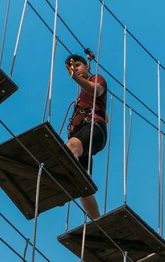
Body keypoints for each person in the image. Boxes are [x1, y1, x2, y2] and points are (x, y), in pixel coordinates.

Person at [65, 54, 107, 220]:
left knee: (70, 148)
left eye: (78, 65)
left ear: (87, 67)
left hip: (94, 130)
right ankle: (97, 221)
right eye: (73, 66)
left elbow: (96, 90)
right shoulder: (81, 98)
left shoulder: (97, 78)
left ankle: (63, 176)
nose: (76, 69)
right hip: (84, 138)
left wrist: (75, 78)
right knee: (82, 189)